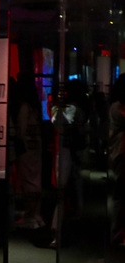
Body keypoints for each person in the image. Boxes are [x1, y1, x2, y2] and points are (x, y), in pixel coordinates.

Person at [49, 80, 89, 249]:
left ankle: (59, 232)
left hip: (67, 151)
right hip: (65, 151)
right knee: (66, 191)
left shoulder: (72, 109)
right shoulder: (64, 108)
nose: (61, 94)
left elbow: (63, 125)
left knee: (63, 190)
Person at [14, 73, 45, 229]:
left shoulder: (24, 107)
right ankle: (36, 214)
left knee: (27, 181)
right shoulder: (36, 106)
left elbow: (21, 130)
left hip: (26, 147)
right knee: (36, 180)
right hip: (37, 146)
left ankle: (30, 215)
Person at [109, 75, 125, 247]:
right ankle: (116, 232)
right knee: (120, 195)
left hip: (119, 153)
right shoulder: (117, 108)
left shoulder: (116, 107)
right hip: (120, 154)